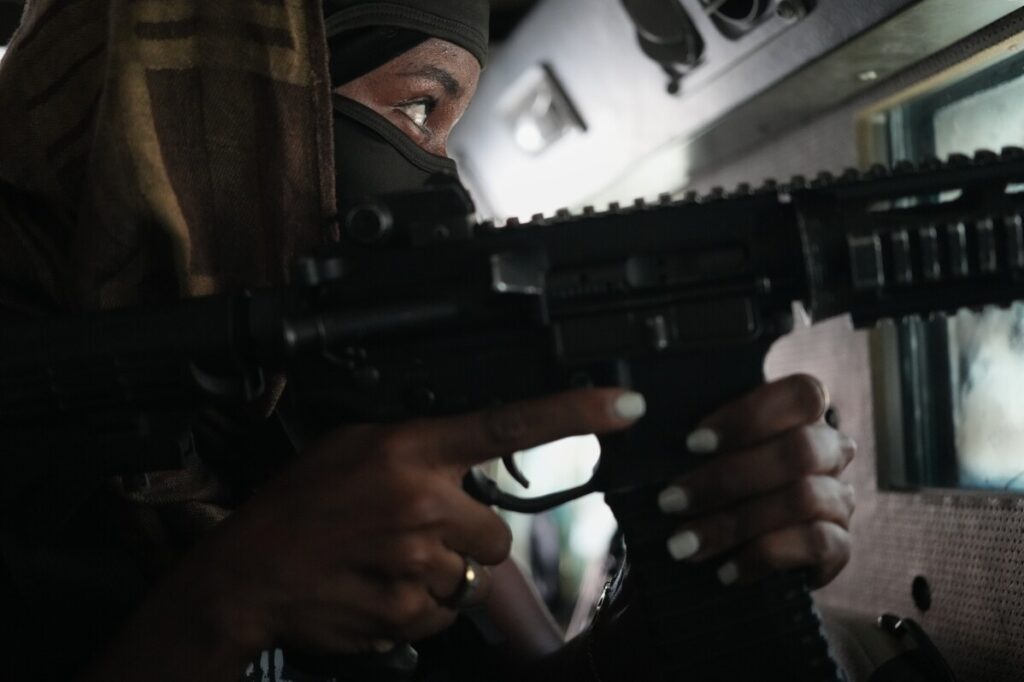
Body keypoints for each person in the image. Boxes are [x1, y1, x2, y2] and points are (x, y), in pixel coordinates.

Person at [0, 1, 855, 680]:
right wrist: (229, 601)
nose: (453, 198)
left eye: (449, 134)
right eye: (417, 108)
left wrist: (661, 609)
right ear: (216, 107)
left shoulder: (336, 410)